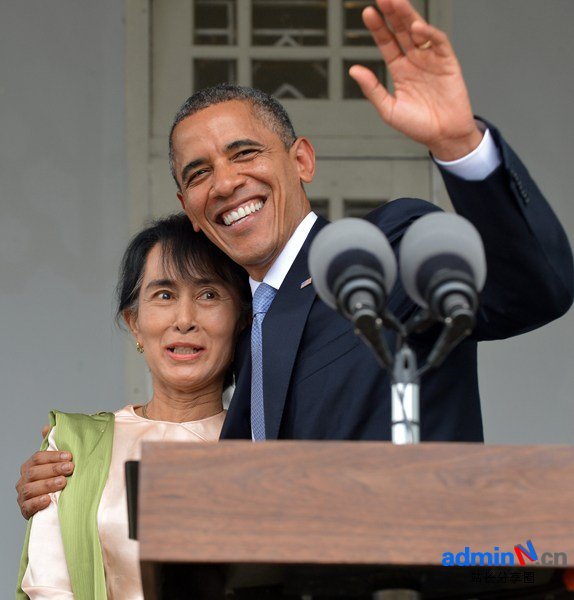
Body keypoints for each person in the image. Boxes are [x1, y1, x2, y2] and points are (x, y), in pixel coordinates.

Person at [16, 0, 574, 515]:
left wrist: (460, 145)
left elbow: (534, 291)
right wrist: (77, 473)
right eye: (200, 173)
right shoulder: (239, 326)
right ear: (190, 209)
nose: (226, 182)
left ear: (302, 160)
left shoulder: (383, 251)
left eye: (245, 153)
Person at [16, 213, 251, 598]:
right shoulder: (75, 446)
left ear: (241, 319)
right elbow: (49, 588)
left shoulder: (264, 446)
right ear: (135, 323)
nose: (185, 320)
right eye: (165, 295)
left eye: (208, 294)